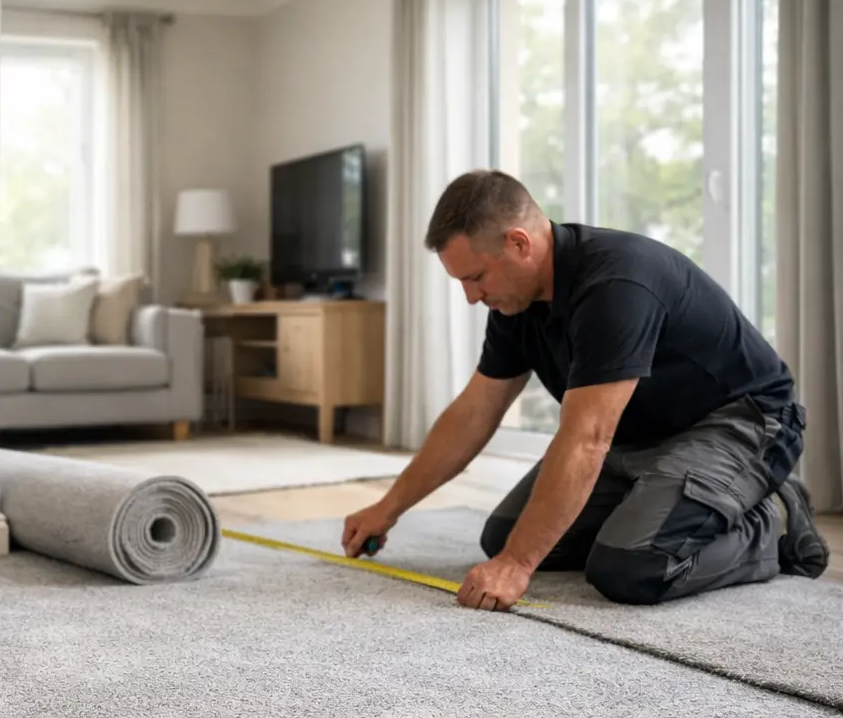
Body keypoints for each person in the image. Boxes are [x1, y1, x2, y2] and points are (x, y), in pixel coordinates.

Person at [342, 169, 829, 610]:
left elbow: (587, 438)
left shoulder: (617, 283)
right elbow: (474, 413)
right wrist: (388, 508)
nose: (472, 297)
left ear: (518, 243)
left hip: (744, 422)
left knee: (631, 568)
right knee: (504, 536)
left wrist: (516, 567)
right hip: (640, 437)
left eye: (475, 277)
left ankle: (777, 519)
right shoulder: (514, 304)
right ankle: (676, 505)